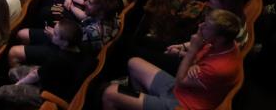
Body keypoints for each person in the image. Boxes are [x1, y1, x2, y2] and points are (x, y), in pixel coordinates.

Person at [101, 9, 244, 110]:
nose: (200, 26)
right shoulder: (226, 44)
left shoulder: (220, 67)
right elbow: (198, 62)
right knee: (133, 63)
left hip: (183, 104)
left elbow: (180, 80)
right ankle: (139, 102)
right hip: (182, 90)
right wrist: (189, 57)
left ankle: (135, 101)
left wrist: (192, 51)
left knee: (109, 93)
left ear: (218, 38)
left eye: (206, 26)